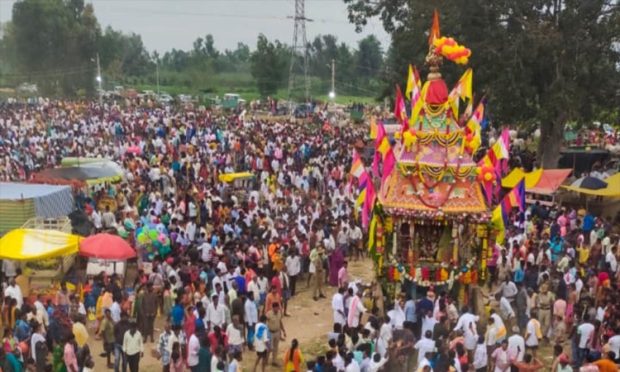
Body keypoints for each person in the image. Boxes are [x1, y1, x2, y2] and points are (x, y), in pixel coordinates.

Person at [266, 301, 286, 367]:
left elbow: (280, 322)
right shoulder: (269, 314)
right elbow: (264, 321)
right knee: (269, 348)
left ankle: (274, 361)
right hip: (270, 333)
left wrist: (283, 330)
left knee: (276, 347)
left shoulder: (279, 313)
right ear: (273, 308)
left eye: (278, 308)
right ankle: (266, 360)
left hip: (277, 332)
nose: (277, 309)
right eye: (276, 308)